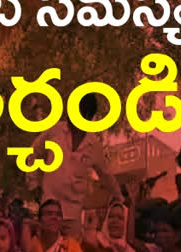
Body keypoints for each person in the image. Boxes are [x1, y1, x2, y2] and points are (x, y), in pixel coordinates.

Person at [25, 93, 122, 238]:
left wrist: (119, 198)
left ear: (88, 117)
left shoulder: (93, 145)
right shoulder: (55, 131)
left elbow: (106, 175)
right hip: (49, 208)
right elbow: (32, 153)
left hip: (73, 214)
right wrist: (33, 185)